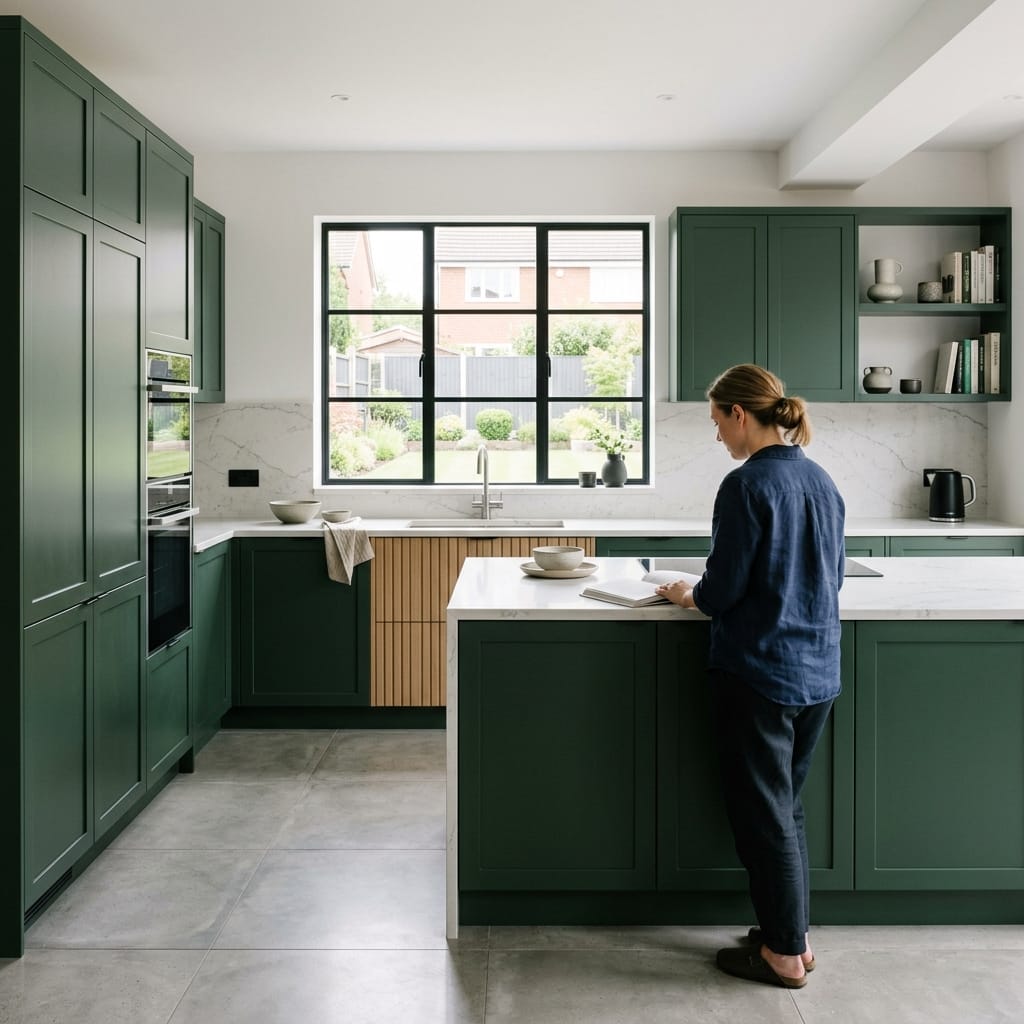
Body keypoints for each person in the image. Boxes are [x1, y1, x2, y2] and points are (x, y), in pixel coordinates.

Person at [655, 363, 845, 990]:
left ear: (741, 415)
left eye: (717, 422)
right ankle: (791, 936)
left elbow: (723, 591)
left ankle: (785, 955)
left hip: (760, 670)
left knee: (764, 817)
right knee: (785, 810)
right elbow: (832, 577)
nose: (718, 438)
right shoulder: (821, 481)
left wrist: (687, 594)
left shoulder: (745, 485)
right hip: (816, 669)